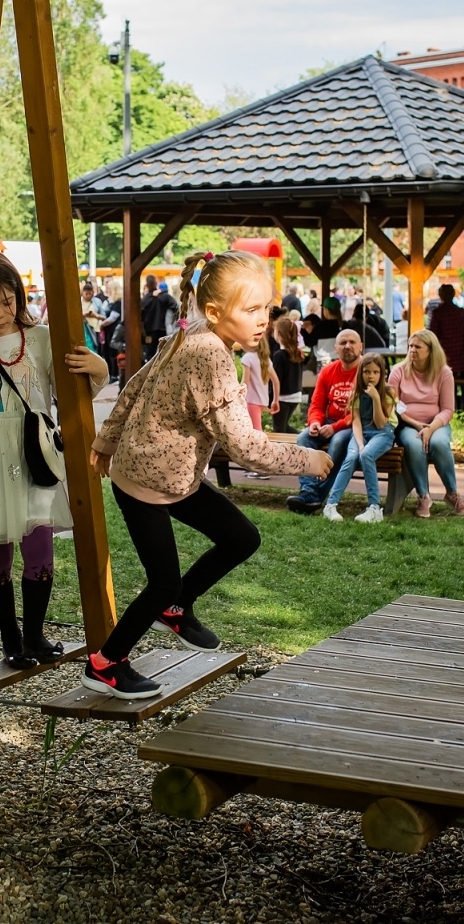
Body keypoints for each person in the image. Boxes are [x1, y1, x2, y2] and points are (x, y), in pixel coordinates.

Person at [89, 251, 332, 698]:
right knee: (163, 581)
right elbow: (245, 447)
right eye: (252, 310)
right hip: (144, 484)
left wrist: (107, 440)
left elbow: (138, 382)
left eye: (267, 309)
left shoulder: (195, 330)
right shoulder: (210, 357)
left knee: (241, 537)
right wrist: (306, 459)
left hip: (174, 477)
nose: (263, 320)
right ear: (217, 311)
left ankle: (178, 607)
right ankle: (106, 663)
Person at [0, 248, 108, 669]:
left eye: (8, 300)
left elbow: (72, 399)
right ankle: (10, 639)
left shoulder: (39, 339)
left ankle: (34, 633)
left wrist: (100, 371)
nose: (0, 312)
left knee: (40, 547)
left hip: (33, 456)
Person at [286, 328, 363, 514]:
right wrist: (315, 422)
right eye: (343, 343)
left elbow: (364, 411)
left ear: (361, 346)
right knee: (304, 439)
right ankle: (309, 491)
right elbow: (317, 404)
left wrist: (335, 427)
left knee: (337, 443)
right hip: (328, 422)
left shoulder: (366, 371)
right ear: (336, 348)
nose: (348, 346)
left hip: (353, 425)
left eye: (352, 342)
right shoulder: (328, 371)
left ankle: (313, 497)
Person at [390, 330, 464, 518]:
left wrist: (431, 428)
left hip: (436, 424)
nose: (412, 350)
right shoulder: (398, 371)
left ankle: (452, 493)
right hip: (407, 424)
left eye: (417, 347)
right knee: (414, 445)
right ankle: (424, 495)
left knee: (439, 443)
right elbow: (392, 404)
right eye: (410, 346)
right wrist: (416, 425)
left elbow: (448, 409)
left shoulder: (444, 372)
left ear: (430, 350)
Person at [321, 353, 395, 523]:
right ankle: (330, 505)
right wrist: (360, 444)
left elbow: (381, 423)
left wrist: (376, 398)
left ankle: (374, 508)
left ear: (381, 373)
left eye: (376, 372)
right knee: (352, 456)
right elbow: (356, 423)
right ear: (361, 373)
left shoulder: (389, 392)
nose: (371, 376)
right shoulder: (357, 393)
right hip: (362, 432)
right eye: (367, 372)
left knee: (367, 455)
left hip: (383, 433)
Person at [428, 283, 464, 377]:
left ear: (440, 295)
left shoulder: (438, 313)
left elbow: (432, 333)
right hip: (459, 359)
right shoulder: (459, 312)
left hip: (442, 357)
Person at [269, 315, 308, 432]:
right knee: (284, 426)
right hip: (296, 396)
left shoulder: (279, 355)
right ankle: (301, 438)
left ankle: (301, 440)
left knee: (279, 429)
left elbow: (276, 379)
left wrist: (271, 398)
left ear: (279, 334)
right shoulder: (298, 353)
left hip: (282, 397)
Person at [242, 331, 276, 430]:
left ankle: (263, 446)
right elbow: (276, 382)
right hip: (263, 401)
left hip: (252, 401)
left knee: (256, 431)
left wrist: (237, 395)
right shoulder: (265, 359)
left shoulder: (247, 358)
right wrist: (275, 400)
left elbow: (245, 382)